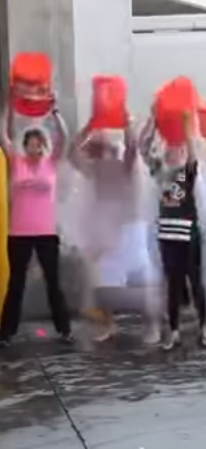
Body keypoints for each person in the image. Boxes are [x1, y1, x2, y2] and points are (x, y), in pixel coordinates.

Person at [69, 116, 162, 344]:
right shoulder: (95, 170)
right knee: (106, 281)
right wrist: (89, 124)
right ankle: (108, 324)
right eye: (101, 150)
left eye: (108, 149)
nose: (106, 154)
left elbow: (132, 147)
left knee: (141, 278)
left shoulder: (126, 167)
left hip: (131, 229)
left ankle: (153, 325)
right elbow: (72, 153)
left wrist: (127, 125)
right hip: (109, 231)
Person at [0, 98, 73, 346]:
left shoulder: (51, 163)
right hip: (18, 233)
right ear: (25, 146)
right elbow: (2, 135)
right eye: (30, 144)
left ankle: (64, 329)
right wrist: (7, 108)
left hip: (46, 232)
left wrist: (54, 111)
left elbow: (64, 136)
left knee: (53, 281)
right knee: (16, 283)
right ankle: (6, 332)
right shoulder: (16, 161)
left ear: (42, 146)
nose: (34, 148)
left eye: (38, 144)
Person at [140, 111, 206, 350]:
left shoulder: (186, 174)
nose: (173, 150)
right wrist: (153, 119)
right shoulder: (160, 173)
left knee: (196, 282)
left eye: (178, 148)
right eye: (171, 148)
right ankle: (174, 331)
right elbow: (143, 149)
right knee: (172, 284)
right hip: (168, 236)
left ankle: (204, 328)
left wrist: (187, 129)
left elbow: (193, 156)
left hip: (188, 235)